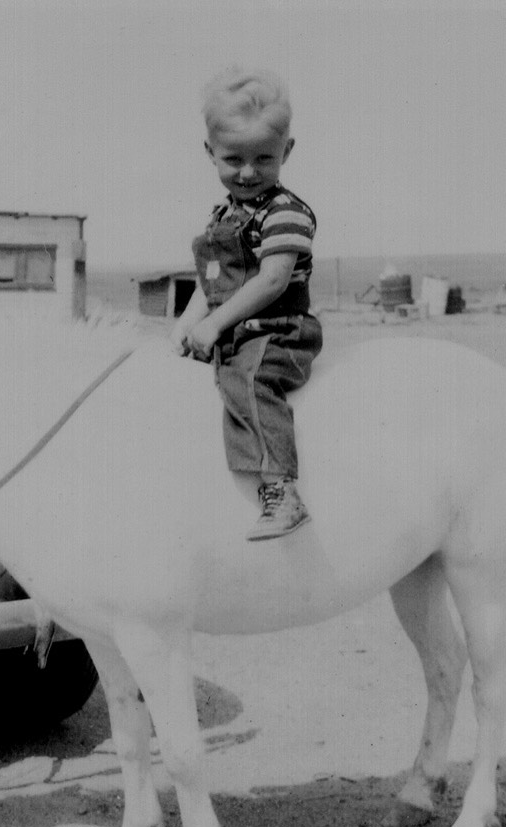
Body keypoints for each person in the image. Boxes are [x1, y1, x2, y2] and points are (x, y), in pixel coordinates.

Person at [171, 67, 323, 541]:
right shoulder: (225, 214)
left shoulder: (285, 212)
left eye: (264, 158)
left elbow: (272, 280)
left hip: (279, 330)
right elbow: (212, 280)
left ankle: (281, 489)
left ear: (287, 151)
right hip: (236, 326)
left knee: (249, 380)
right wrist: (189, 322)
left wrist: (215, 324)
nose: (248, 172)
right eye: (233, 159)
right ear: (210, 152)